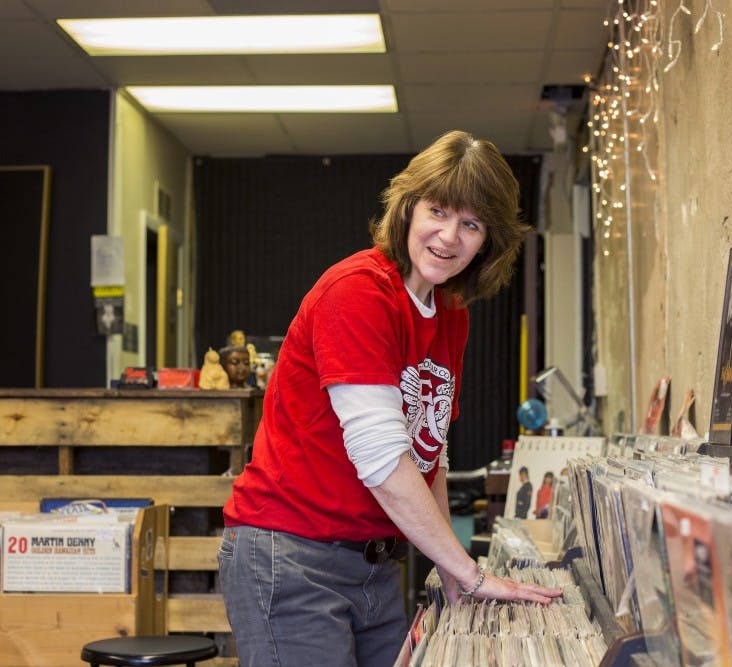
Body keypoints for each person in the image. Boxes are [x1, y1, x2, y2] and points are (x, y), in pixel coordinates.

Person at [218, 130, 562, 667]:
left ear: (489, 241)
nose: (449, 237)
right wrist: (470, 573)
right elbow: (381, 460)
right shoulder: (357, 292)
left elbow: (431, 454)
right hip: (292, 557)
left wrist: (450, 572)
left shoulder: (451, 312)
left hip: (376, 564)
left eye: (471, 224)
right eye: (439, 211)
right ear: (408, 209)